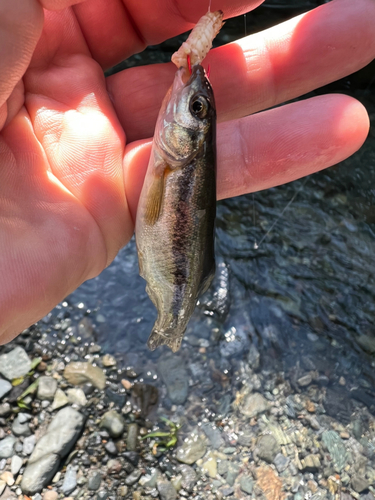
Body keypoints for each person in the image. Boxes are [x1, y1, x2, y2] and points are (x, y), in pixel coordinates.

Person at [0, 0, 374, 343]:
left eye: (195, 108)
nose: (190, 102)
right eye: (199, 108)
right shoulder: (174, 156)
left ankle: (170, 324)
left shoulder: (174, 159)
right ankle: (172, 324)